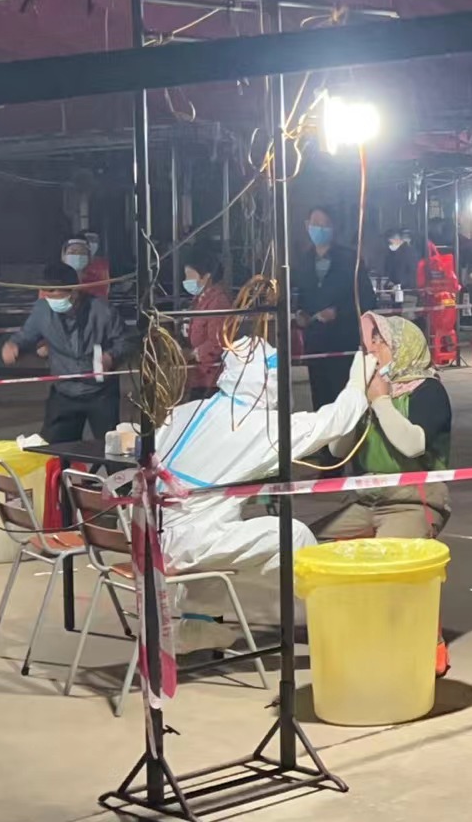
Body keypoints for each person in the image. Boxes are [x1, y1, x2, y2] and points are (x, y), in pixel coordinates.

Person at [154, 337, 370, 652]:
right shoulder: (258, 428)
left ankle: (199, 627)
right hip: (186, 543)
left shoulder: (187, 411)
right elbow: (330, 424)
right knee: (293, 535)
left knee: (228, 530)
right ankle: (337, 625)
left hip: (147, 534)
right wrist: (358, 382)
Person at [319, 314, 456, 541]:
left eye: (380, 342)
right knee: (309, 545)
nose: (371, 350)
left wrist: (381, 402)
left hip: (413, 502)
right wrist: (354, 393)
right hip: (366, 501)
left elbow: (413, 446)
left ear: (401, 346)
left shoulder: (428, 390)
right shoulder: (366, 391)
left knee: (388, 555)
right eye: (369, 343)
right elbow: (338, 450)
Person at [3, 262, 131, 442]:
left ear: (74, 291)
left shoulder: (102, 311)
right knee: (53, 449)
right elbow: (26, 335)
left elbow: (125, 341)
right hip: (63, 392)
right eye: (47, 295)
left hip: (100, 393)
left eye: (55, 295)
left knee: (110, 448)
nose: (51, 301)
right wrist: (13, 345)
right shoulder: (42, 310)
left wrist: (110, 357)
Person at [293, 206, 376, 407]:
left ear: (333, 228)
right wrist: (299, 313)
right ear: (307, 226)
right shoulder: (303, 261)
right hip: (315, 346)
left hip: (343, 344)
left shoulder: (350, 259)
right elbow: (299, 296)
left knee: (346, 401)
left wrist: (339, 313)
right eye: (316, 224)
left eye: (325, 225)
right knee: (320, 402)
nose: (320, 229)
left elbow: (367, 299)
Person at [181, 245, 232, 400]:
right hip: (198, 376)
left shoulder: (218, 302)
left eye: (190, 277)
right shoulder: (199, 300)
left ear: (206, 277)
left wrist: (192, 354)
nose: (186, 281)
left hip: (211, 379)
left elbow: (217, 343)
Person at [80, 229, 112, 300]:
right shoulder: (77, 262)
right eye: (88, 240)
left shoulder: (103, 263)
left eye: (94, 240)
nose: (91, 243)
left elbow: (106, 286)